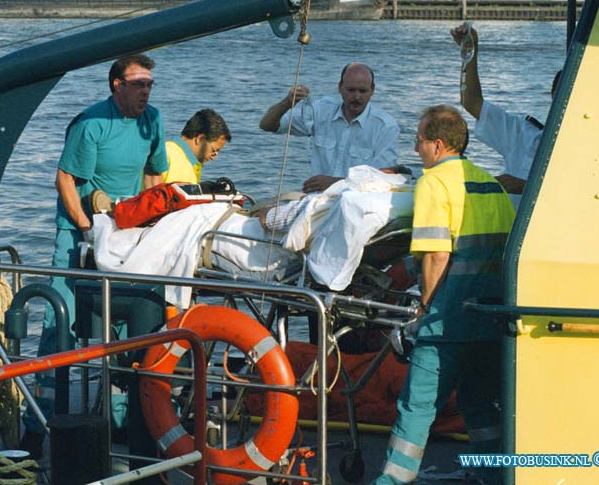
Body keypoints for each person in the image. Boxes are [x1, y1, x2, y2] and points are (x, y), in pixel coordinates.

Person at [21, 54, 168, 456]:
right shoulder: (90, 123)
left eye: (150, 84)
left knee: (125, 325)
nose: (146, 91)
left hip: (125, 231)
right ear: (117, 85)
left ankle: (120, 421)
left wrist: (150, 222)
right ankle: (36, 426)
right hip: (79, 232)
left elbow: (156, 175)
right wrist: (85, 227)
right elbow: (65, 180)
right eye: (139, 84)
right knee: (60, 322)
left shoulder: (152, 120)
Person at [374, 105, 515, 485]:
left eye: (418, 141)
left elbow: (437, 253)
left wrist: (424, 308)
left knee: (417, 406)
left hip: (447, 319)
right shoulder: (490, 183)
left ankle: (393, 481)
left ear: (437, 145)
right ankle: (495, 477)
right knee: (481, 403)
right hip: (490, 315)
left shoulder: (433, 183)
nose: (415, 149)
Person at [451, 22, 560, 209]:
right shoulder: (525, 135)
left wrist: (527, 187)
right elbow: (472, 103)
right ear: (552, 95)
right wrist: (470, 51)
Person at [259, 62, 401, 193]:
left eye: (362, 91)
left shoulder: (385, 126)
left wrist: (335, 183)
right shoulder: (321, 111)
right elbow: (267, 125)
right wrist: (288, 102)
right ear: (340, 87)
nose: (357, 96)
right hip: (316, 200)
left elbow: (383, 180)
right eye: (351, 90)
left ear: (372, 90)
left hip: (356, 205)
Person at [162, 108, 231, 184]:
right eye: (213, 151)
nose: (214, 158)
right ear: (200, 138)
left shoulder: (168, 151)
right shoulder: (175, 161)